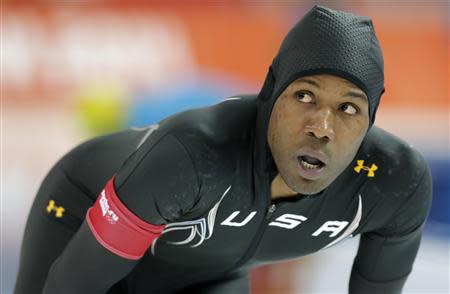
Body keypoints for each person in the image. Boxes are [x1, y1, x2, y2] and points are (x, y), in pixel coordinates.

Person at [14, 5, 432, 294]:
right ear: (269, 95)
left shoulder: (395, 184)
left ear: (370, 122)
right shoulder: (193, 154)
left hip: (206, 274)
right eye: (305, 96)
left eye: (348, 108)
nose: (322, 128)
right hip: (79, 213)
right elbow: (72, 285)